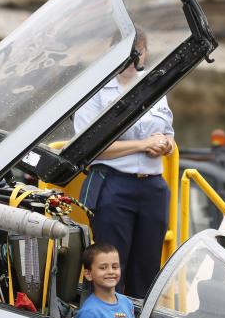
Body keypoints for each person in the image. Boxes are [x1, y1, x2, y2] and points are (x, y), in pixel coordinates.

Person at [74, 28, 173, 299]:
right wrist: (142, 145)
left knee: (148, 266)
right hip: (114, 186)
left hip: (153, 187)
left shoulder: (154, 85)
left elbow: (169, 133)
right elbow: (90, 148)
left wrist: (164, 144)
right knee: (111, 267)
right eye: (127, 53)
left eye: (137, 52)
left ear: (145, 53)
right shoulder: (95, 91)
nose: (132, 59)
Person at [76, 243, 136, 318]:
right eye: (103, 268)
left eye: (115, 267)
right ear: (88, 274)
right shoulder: (89, 313)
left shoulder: (127, 302)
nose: (111, 272)